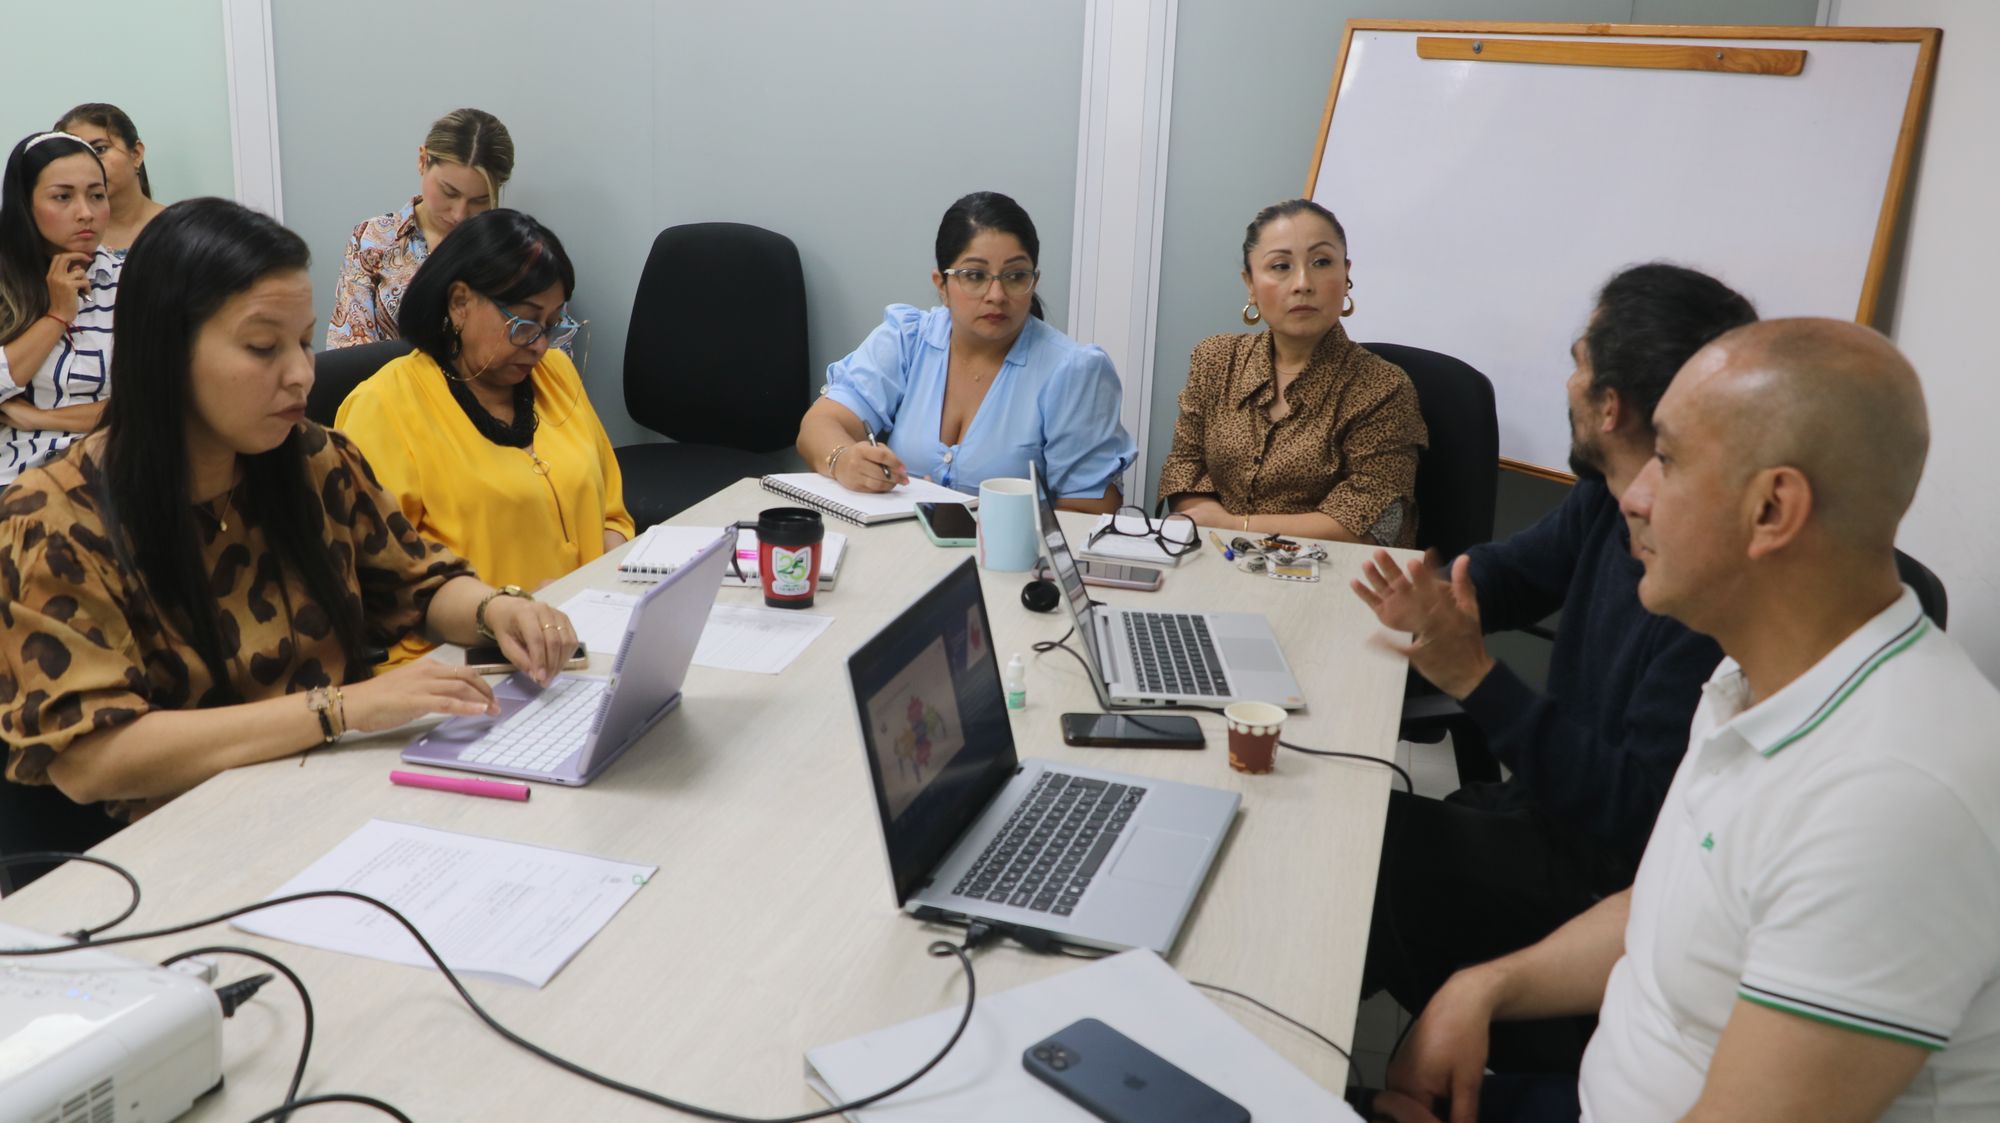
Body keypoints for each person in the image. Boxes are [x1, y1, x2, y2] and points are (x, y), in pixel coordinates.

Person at [1372, 319, 2000, 1123]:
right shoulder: (1751, 678)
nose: (1634, 494)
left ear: (1771, 508)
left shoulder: (1893, 800)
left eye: (1666, 460)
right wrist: (1486, 985)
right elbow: (1670, 902)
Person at [0, 197, 578, 832]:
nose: (302, 374)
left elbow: (418, 582)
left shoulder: (312, 458)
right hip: (183, 838)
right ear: (165, 350)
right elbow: (92, 758)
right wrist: (338, 709)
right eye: (262, 347)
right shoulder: (53, 518)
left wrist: (497, 610)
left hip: (338, 801)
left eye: (304, 342)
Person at [1351, 264, 1755, 1071]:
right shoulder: (1607, 495)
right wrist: (1430, 593)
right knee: (1356, 829)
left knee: (1359, 856)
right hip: (1541, 811)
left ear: (1610, 406)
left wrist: (1477, 678)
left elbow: (1634, 813)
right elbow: (1513, 572)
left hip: (1597, 878)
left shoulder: (1705, 584)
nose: (1567, 381)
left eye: (1578, 361)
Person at [335, 208, 632, 666]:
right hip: (454, 662)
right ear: (459, 303)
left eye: (552, 325)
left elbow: (612, 516)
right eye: (524, 324)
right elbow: (381, 587)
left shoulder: (557, 375)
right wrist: (509, 610)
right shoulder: (384, 408)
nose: (539, 345)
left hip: (574, 646)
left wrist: (598, 594)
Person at [795, 191, 1134, 512]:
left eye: (1016, 276)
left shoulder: (1073, 372)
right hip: (897, 543)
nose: (996, 295)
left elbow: (1089, 511)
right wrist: (842, 459)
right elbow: (821, 423)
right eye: (975, 275)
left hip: (1015, 553)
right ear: (941, 285)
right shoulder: (907, 339)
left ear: (1034, 282)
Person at [1156, 199, 1426, 544]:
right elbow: (1184, 470)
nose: (1302, 283)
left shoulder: (1383, 387)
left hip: (1327, 570)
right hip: (1215, 557)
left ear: (1346, 275)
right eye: (1281, 266)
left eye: (1321, 262)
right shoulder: (1216, 360)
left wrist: (1235, 527)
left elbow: (1370, 521)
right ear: (1250, 284)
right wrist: (1213, 525)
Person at [325, 108, 514, 348]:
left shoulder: (510, 253)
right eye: (449, 192)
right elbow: (348, 347)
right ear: (423, 161)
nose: (459, 214)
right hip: (383, 373)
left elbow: (531, 343)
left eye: (480, 200)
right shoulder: (373, 239)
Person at [0, 131, 117, 486]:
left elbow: (155, 402)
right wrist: (56, 316)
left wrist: (38, 418)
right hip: (16, 480)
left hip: (114, 472)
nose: (86, 213)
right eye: (63, 197)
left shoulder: (137, 278)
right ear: (24, 205)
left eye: (97, 195)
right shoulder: (5, 283)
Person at [53, 103, 165, 253]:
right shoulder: (65, 238)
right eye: (75, 155)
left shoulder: (180, 227)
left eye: (100, 149)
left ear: (136, 154)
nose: (89, 164)